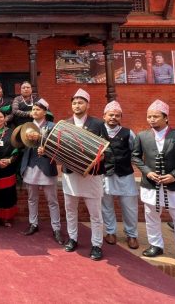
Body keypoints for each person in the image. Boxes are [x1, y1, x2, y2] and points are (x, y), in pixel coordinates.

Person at [132, 99, 175, 269]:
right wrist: (147, 171)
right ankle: (156, 245)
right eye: (149, 116)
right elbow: (135, 157)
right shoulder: (142, 136)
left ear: (166, 117)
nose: (151, 119)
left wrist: (174, 175)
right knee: (151, 217)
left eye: (155, 116)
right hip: (150, 184)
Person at [62, 88, 105, 261]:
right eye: (74, 103)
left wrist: (101, 157)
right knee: (70, 210)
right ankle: (72, 238)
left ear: (88, 105)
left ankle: (97, 244)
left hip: (91, 175)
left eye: (80, 102)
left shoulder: (98, 124)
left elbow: (107, 148)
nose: (77, 105)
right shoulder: (65, 124)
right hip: (70, 174)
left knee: (95, 213)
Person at [20, 99, 63, 244]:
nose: (35, 111)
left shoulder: (52, 126)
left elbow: (58, 146)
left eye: (38, 109)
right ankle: (33, 223)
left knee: (52, 200)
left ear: (45, 112)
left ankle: (56, 228)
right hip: (30, 165)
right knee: (32, 198)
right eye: (33, 109)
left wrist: (44, 143)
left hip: (46, 166)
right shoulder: (27, 126)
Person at [99, 101, 139, 250]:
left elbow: (135, 152)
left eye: (117, 115)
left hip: (125, 174)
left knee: (130, 207)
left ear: (121, 117)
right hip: (105, 174)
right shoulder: (98, 132)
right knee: (106, 205)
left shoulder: (128, 133)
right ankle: (110, 232)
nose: (113, 118)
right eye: (111, 115)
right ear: (104, 116)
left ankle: (132, 234)